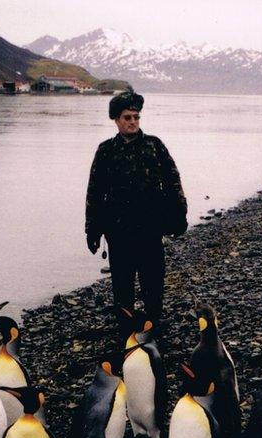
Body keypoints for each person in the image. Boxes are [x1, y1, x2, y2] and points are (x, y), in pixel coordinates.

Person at [85, 90, 188, 342]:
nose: (132, 121)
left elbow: (173, 181)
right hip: (118, 232)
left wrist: (179, 214)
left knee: (153, 282)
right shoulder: (105, 150)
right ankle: (127, 331)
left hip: (151, 229)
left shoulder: (155, 145)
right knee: (122, 284)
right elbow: (95, 191)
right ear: (116, 120)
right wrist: (92, 229)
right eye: (127, 117)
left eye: (136, 117)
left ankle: (153, 327)